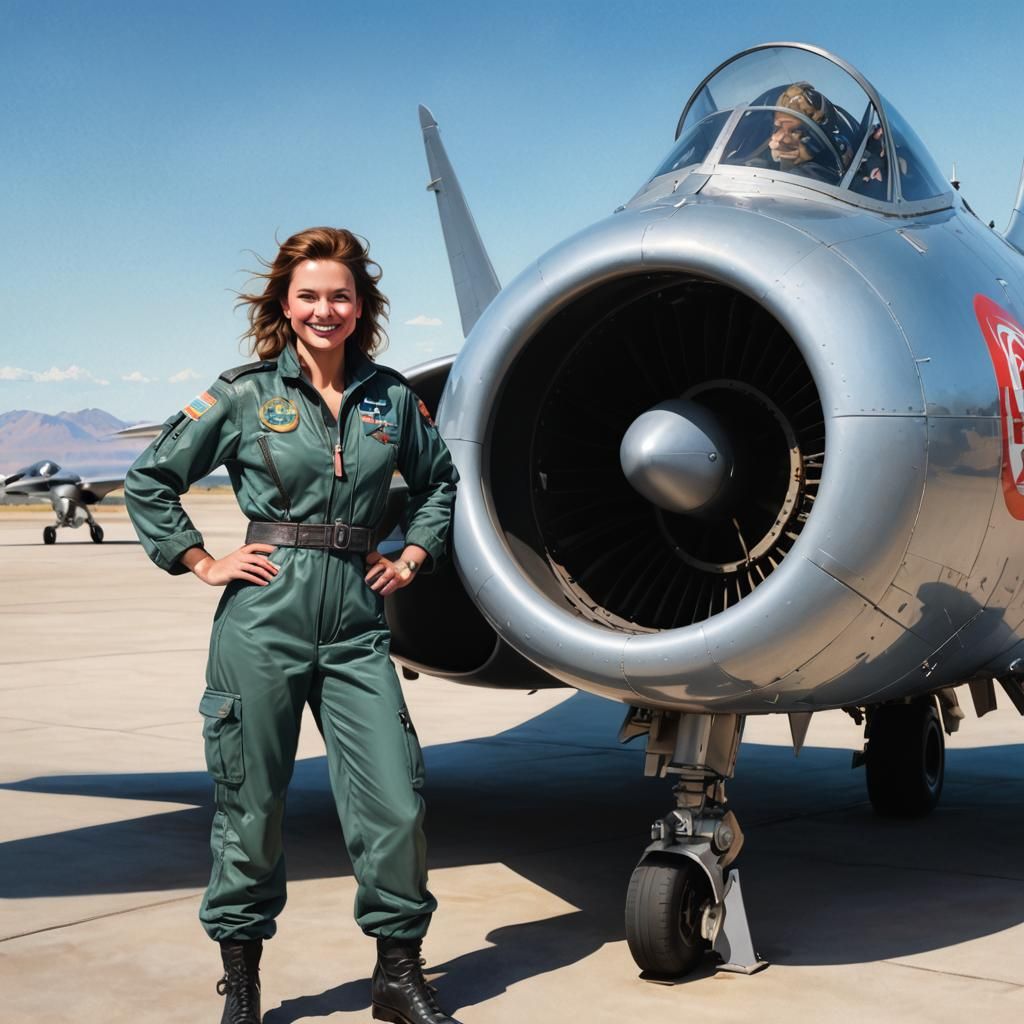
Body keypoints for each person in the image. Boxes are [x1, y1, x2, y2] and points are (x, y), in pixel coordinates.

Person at [125, 226, 461, 1024]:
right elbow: (150, 480)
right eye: (309, 295)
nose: (324, 309)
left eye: (339, 296)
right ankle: (242, 984)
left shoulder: (389, 397)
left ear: (360, 307)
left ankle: (398, 975)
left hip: (355, 619)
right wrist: (201, 561)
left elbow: (441, 482)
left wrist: (411, 556)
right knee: (252, 806)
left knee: (396, 803)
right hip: (263, 618)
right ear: (286, 304)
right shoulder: (243, 395)